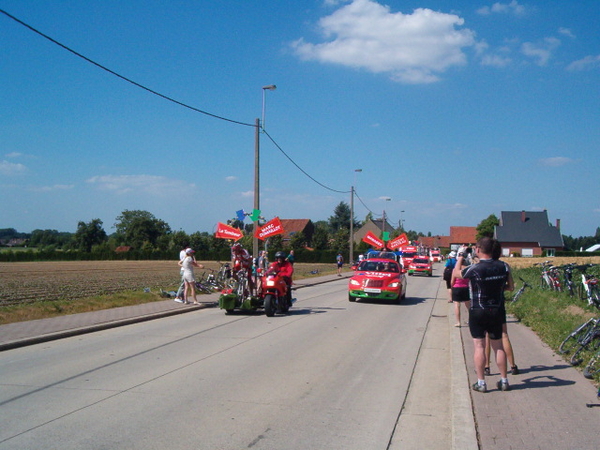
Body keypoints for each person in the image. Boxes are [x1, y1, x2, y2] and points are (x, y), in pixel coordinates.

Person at [458, 237, 514, 393]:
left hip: (478, 309)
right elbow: (511, 287)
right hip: (496, 309)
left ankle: (481, 383)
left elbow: (457, 274)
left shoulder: (476, 268)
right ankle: (504, 380)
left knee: (479, 346)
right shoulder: (504, 266)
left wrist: (460, 256)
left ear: (478, 249)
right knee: (498, 346)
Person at [450, 261, 471, 327]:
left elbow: (452, 281)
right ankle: (471, 320)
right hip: (465, 288)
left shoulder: (455, 270)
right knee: (468, 305)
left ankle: (458, 322)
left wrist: (452, 287)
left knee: (457, 304)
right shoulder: (468, 269)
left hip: (457, 287)